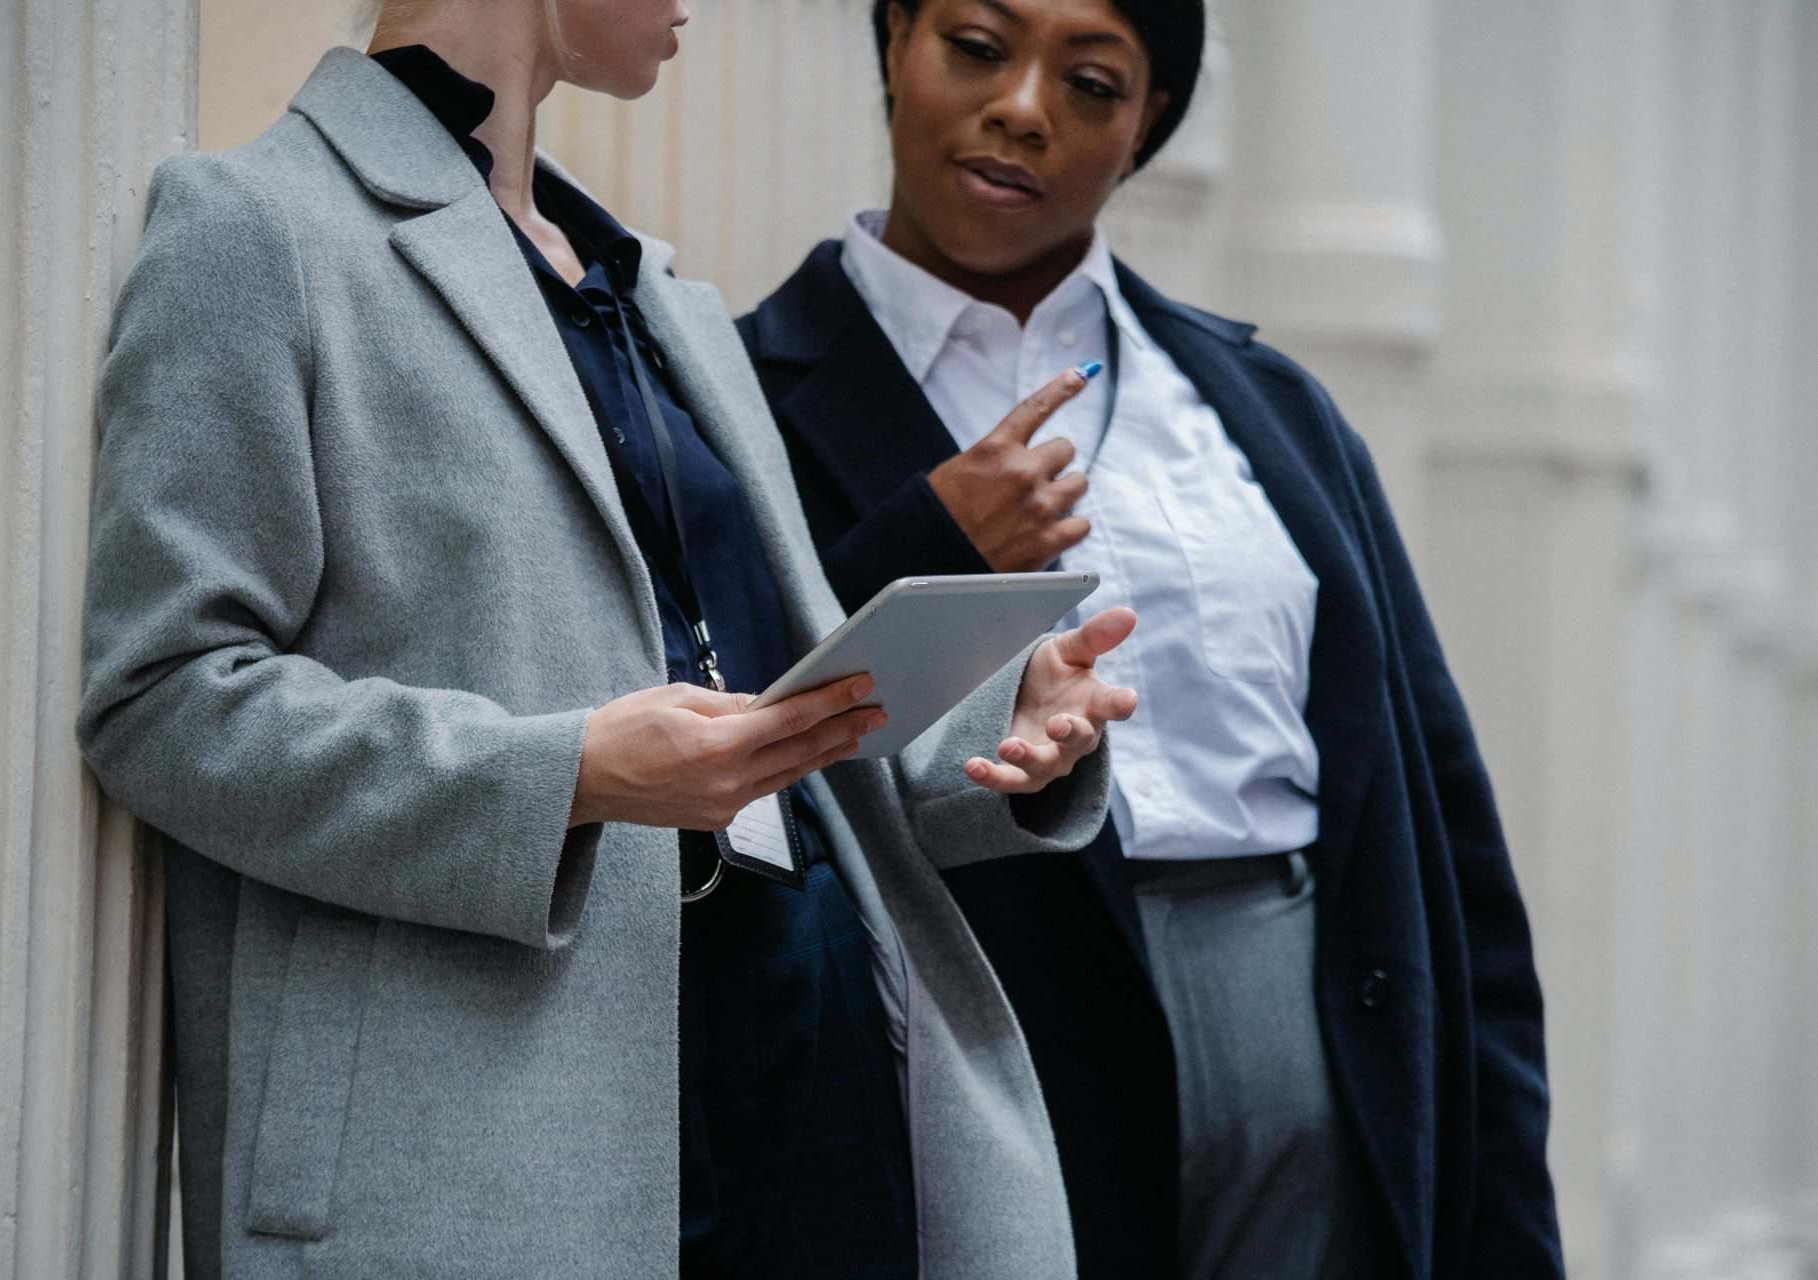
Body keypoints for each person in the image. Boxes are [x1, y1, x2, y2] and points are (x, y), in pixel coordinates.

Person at [75, 0, 1143, 1275]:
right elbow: (165, 698)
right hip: (483, 1133)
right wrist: (570, 772)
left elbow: (757, 695)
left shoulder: (654, 295)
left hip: (808, 1065)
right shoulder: (259, 231)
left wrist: (996, 721)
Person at [738, 1, 1566, 1276]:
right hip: (973, 1035)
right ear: (894, 40)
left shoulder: (1268, 405)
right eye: (974, 46)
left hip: (1315, 1014)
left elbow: (1439, 830)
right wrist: (936, 543)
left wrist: (1505, 1223)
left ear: (1148, 127)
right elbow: (733, 743)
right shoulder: (739, 396)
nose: (1024, 107)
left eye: (1092, 82)